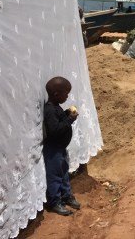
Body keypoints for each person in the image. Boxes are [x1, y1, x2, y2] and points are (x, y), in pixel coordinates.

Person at [43, 77, 81, 216]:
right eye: (66, 93)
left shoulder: (56, 107)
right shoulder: (50, 110)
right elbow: (54, 130)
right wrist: (70, 119)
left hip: (60, 148)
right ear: (56, 94)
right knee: (55, 176)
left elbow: (59, 121)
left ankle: (66, 196)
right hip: (53, 150)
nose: (67, 96)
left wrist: (66, 114)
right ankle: (54, 202)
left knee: (64, 173)